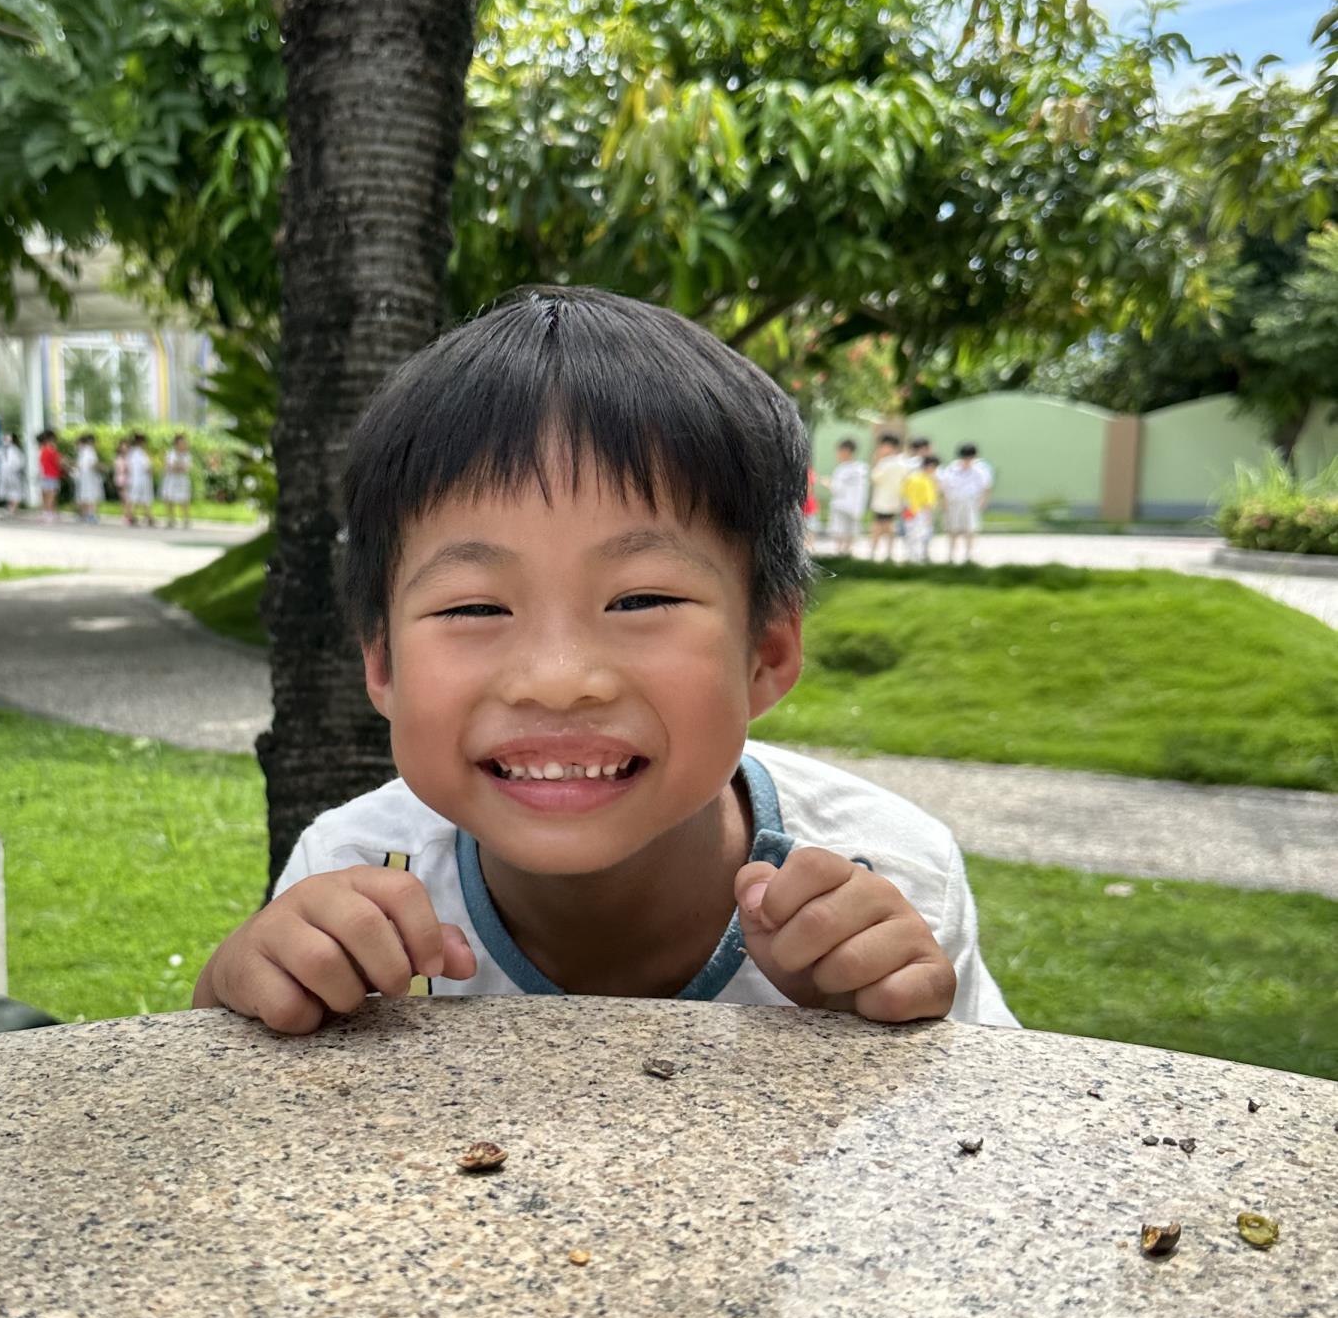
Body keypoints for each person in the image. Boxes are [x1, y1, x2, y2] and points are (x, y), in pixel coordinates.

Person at [193, 286, 1015, 1036]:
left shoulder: (892, 876)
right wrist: (237, 991)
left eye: (641, 599)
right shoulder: (352, 867)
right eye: (474, 608)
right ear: (383, 666)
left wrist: (880, 1038)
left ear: (767, 650)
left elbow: (1003, 1125)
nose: (557, 678)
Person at [937, 442, 993, 564]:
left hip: (971, 503)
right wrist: (943, 502)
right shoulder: (952, 469)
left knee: (970, 529)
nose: (967, 461)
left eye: (969, 458)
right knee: (952, 529)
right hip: (953, 502)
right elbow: (943, 487)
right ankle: (951, 555)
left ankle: (968, 555)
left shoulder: (980, 469)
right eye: (965, 458)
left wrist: (983, 502)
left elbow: (986, 487)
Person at [867, 431, 912, 562]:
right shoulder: (903, 462)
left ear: (889, 446)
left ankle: (873, 553)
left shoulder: (886, 463)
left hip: (883, 501)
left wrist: (877, 460)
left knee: (878, 527)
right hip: (895, 501)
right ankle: (888, 553)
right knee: (888, 527)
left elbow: (874, 478)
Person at [825, 436, 868, 554]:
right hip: (855, 506)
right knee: (851, 531)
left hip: (841, 505)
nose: (837, 455)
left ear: (846, 451)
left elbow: (838, 489)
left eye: (839, 451)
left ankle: (840, 552)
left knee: (839, 530)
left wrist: (828, 483)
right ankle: (848, 552)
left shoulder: (842, 469)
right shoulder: (861, 468)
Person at [902, 452, 940, 562]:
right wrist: (929, 516)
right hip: (921, 512)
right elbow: (928, 500)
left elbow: (904, 494)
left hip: (909, 510)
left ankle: (911, 556)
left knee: (911, 534)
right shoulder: (925, 480)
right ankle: (917, 558)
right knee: (921, 535)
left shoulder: (911, 477)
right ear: (930, 466)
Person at [119, 429, 155, 526]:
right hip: (142, 480)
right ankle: (138, 517)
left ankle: (143, 516)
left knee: (134, 498)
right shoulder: (141, 453)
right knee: (142, 498)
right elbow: (147, 467)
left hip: (133, 479)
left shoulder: (131, 453)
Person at [159, 431, 193, 528]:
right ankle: (171, 519)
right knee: (169, 498)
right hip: (171, 480)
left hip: (182, 480)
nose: (184, 445)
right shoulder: (170, 454)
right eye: (182, 443)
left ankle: (186, 519)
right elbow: (168, 466)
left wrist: (176, 466)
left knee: (184, 499)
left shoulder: (187, 455)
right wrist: (178, 467)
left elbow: (186, 468)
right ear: (176, 444)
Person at [36, 428, 63, 522]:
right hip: (51, 475)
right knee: (50, 494)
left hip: (46, 475)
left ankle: (49, 513)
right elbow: (59, 461)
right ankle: (49, 513)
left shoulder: (43, 450)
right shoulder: (50, 449)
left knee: (47, 494)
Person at [0, 431, 27, 514]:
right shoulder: (4, 449)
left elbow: (19, 463)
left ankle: (12, 509)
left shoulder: (14, 450)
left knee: (14, 492)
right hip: (7, 474)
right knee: (9, 492)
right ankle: (11, 508)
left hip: (13, 474)